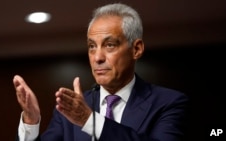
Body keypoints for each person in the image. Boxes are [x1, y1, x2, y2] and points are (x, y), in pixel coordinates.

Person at [13, 3, 189, 141]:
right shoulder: (68, 109)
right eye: (91, 47)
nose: (97, 57)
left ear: (136, 49)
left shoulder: (168, 103)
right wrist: (31, 122)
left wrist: (90, 121)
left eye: (109, 45)